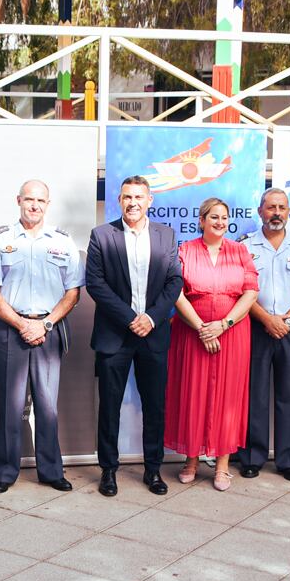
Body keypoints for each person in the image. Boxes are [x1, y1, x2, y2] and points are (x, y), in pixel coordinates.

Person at [0, 179, 83, 494]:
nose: (34, 205)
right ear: (18, 200)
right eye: (29, 199)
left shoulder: (63, 242)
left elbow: (73, 292)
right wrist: (21, 323)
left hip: (48, 331)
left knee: (48, 406)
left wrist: (45, 324)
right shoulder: (1, 240)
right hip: (11, 330)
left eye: (40, 200)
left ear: (47, 205)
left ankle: (51, 471)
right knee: (10, 405)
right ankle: (5, 472)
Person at [84, 175, 182, 497]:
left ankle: (153, 470)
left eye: (139, 197)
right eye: (127, 196)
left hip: (153, 335)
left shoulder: (166, 236)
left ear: (149, 200)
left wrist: (152, 318)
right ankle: (108, 470)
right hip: (115, 335)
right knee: (109, 407)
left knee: (155, 406)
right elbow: (96, 284)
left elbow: (174, 282)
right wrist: (131, 319)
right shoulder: (102, 235)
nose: (133, 203)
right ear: (119, 199)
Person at [165, 197, 259, 491]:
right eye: (213, 217)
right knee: (192, 392)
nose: (220, 222)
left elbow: (251, 292)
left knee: (228, 397)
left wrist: (222, 325)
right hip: (191, 333)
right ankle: (191, 460)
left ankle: (222, 466)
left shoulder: (240, 251)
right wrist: (202, 328)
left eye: (224, 218)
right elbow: (176, 292)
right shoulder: (185, 250)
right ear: (202, 221)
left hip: (232, 334)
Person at [237, 188, 290, 482]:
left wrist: (286, 319)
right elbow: (240, 290)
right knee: (255, 394)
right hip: (256, 326)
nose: (276, 213)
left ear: (288, 212)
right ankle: (250, 457)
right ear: (260, 211)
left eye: (282, 208)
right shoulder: (245, 246)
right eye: (271, 207)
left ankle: (289, 459)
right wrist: (267, 319)